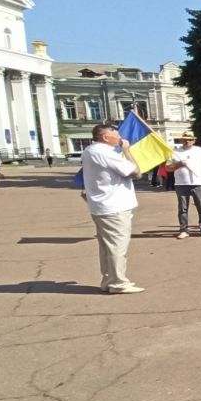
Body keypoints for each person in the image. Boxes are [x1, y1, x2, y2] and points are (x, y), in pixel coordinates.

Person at [80, 124, 144, 294]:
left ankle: (109, 280)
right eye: (117, 134)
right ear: (106, 137)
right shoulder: (105, 152)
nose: (120, 137)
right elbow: (136, 172)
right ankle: (118, 283)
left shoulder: (90, 150)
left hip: (102, 205)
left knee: (108, 247)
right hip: (114, 206)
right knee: (117, 246)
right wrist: (127, 151)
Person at [167, 131, 201, 239]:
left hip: (198, 183)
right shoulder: (175, 152)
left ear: (194, 140)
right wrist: (178, 164)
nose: (187, 141)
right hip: (181, 184)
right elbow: (168, 168)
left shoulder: (200, 151)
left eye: (190, 139)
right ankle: (184, 230)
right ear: (182, 140)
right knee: (183, 209)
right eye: (185, 139)